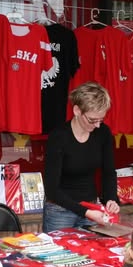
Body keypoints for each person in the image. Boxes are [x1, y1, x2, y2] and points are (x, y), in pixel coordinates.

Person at [43, 81, 120, 233]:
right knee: (59, 248)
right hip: (60, 210)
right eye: (92, 120)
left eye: (101, 120)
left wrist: (111, 199)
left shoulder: (103, 133)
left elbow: (109, 172)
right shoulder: (59, 137)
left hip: (91, 207)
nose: (97, 125)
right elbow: (51, 189)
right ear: (77, 110)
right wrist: (86, 212)